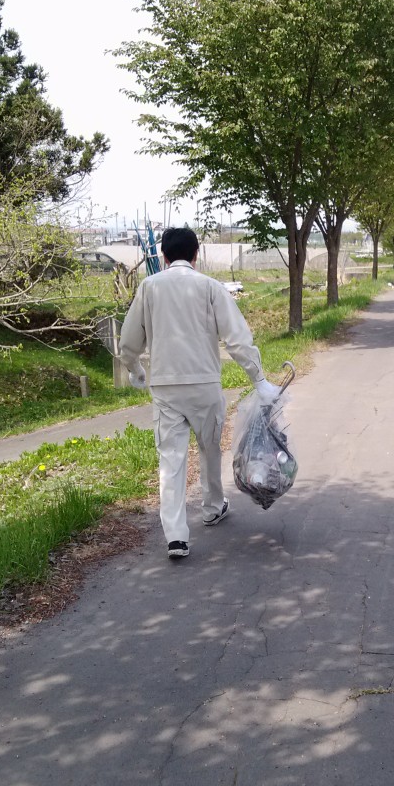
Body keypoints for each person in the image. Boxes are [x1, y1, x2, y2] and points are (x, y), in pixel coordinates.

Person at [119, 226, 279, 560]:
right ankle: (212, 507)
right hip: (205, 384)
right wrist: (259, 379)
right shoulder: (210, 287)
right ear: (196, 255)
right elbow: (237, 338)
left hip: (165, 387)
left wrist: (135, 369)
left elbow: (129, 341)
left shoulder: (149, 287)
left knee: (171, 460)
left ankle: (176, 537)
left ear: (163, 256)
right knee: (210, 449)